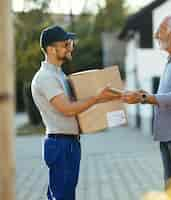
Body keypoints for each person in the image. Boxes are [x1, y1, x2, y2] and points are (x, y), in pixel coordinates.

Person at [31, 25, 120, 200]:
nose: (70, 46)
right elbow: (67, 109)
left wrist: (105, 99)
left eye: (70, 42)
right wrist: (96, 98)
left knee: (64, 195)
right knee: (62, 197)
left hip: (68, 143)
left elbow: (78, 104)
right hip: (60, 144)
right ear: (50, 49)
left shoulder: (60, 75)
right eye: (65, 44)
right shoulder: (46, 78)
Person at [122, 16, 171, 185]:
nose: (155, 35)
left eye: (160, 31)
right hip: (167, 136)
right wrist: (144, 95)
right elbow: (165, 96)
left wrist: (146, 98)